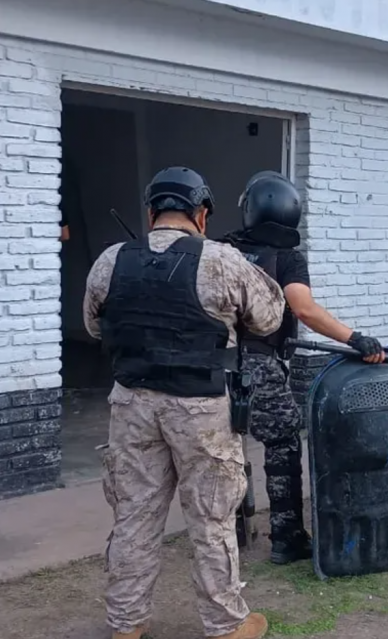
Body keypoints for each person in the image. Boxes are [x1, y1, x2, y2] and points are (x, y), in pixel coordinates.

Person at [84, 167, 284, 639]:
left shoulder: (110, 260)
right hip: (201, 409)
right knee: (212, 518)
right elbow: (270, 318)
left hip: (131, 404)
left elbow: (95, 328)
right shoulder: (223, 261)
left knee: (133, 515)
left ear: (151, 211)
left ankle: (126, 626)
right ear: (201, 214)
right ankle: (227, 626)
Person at [222, 171, 386, 565]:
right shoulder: (288, 258)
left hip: (215, 364)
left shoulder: (221, 249)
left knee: (221, 449)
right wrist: (353, 338)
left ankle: (229, 534)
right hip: (259, 364)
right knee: (281, 444)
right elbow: (304, 309)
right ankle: (287, 538)